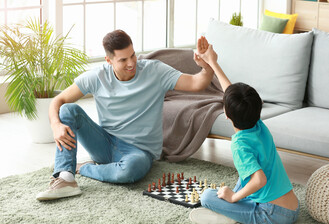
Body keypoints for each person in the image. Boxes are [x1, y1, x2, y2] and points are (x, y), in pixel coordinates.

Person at [36, 30, 214, 201]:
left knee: (128, 172)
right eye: (123, 60)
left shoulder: (155, 71)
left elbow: (197, 83)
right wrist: (55, 125)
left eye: (133, 55)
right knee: (68, 110)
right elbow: (58, 100)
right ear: (109, 60)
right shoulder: (97, 76)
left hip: (139, 152)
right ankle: (65, 178)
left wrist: (205, 66)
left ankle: (82, 169)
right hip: (104, 144)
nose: (131, 63)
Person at [189, 37, 299, 224]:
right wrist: (212, 62)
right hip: (292, 207)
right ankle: (238, 208)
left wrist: (233, 197)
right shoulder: (258, 124)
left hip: (273, 215)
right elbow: (230, 93)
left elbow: (259, 180)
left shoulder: (239, 145)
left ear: (226, 114)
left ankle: (234, 213)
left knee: (207, 197)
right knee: (243, 177)